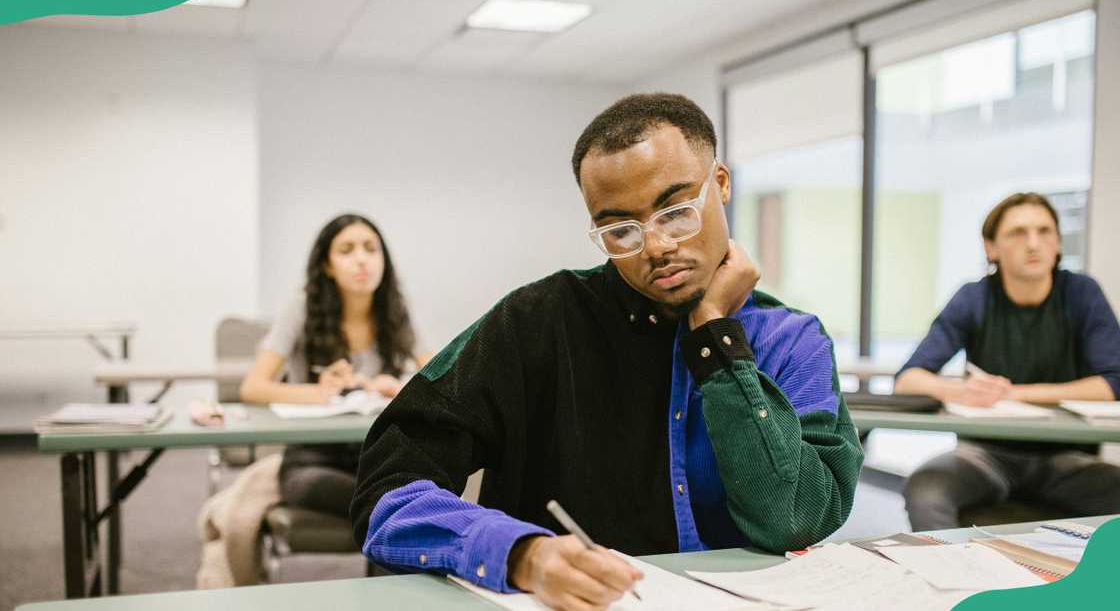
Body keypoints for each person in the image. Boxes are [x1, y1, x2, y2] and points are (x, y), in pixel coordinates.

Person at [350, 93, 863, 609]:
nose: (657, 247)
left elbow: (796, 519)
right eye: (621, 231)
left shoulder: (792, 340)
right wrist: (520, 554)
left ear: (722, 184)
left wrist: (715, 337)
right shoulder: (535, 322)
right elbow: (387, 490)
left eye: (676, 212)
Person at [895, 192, 1120, 531]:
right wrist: (960, 391)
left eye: (1044, 231)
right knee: (925, 490)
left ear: (1058, 243)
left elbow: (1113, 383)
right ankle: (946, 566)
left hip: (1068, 459)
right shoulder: (974, 297)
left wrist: (1014, 393)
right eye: (1018, 232)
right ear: (991, 248)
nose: (1033, 243)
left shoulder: (1081, 293)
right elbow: (908, 379)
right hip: (985, 456)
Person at [240, 213, 425, 518]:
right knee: (386, 502)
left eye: (371, 249)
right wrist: (317, 392)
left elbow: (438, 381)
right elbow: (253, 387)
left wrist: (400, 388)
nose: (361, 260)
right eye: (346, 250)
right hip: (313, 460)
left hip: (380, 455)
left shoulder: (396, 310)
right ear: (327, 265)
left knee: (404, 494)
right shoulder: (301, 308)